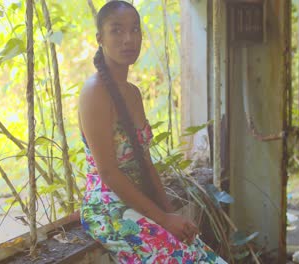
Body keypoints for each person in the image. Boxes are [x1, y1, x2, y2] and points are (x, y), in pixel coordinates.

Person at [78, 1, 227, 263]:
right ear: (100, 38)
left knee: (202, 255)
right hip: (109, 208)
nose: (128, 39)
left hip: (140, 201)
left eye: (135, 30)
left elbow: (145, 161)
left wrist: (170, 214)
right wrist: (163, 219)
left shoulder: (133, 93)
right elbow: (108, 173)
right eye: (117, 30)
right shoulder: (94, 92)